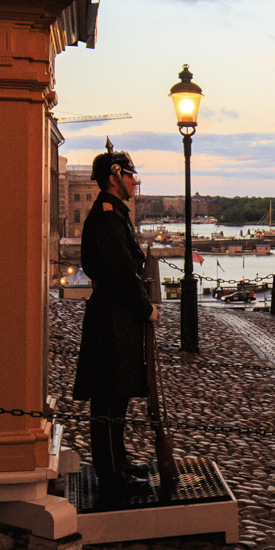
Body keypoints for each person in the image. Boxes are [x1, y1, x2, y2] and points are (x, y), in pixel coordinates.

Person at [71, 146, 155, 507]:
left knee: (117, 396)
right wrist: (145, 307)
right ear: (115, 176)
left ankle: (118, 464)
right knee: (107, 397)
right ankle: (111, 475)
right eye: (131, 175)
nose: (134, 181)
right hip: (112, 314)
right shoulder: (107, 216)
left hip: (116, 314)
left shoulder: (115, 214)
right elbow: (121, 270)